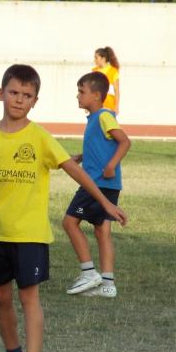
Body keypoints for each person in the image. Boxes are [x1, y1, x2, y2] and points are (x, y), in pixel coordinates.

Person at [0, 65, 127, 352]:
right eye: (14, 93)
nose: (19, 100)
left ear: (35, 101)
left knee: (29, 298)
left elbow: (75, 171)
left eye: (27, 95)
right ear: (1, 94)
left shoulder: (39, 137)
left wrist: (106, 203)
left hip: (30, 236)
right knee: (0, 296)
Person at [63, 72, 131, 298]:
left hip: (98, 183)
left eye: (82, 92)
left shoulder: (104, 116)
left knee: (70, 222)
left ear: (97, 95)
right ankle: (108, 285)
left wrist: (111, 165)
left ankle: (89, 272)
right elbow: (102, 145)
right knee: (102, 231)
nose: (77, 96)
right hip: (106, 184)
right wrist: (81, 157)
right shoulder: (94, 119)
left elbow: (124, 141)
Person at [92, 46, 120, 115]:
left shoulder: (113, 71)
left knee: (109, 125)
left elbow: (116, 90)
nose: (94, 60)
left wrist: (116, 106)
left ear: (103, 58)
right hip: (96, 106)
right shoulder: (94, 71)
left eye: (96, 58)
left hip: (109, 106)